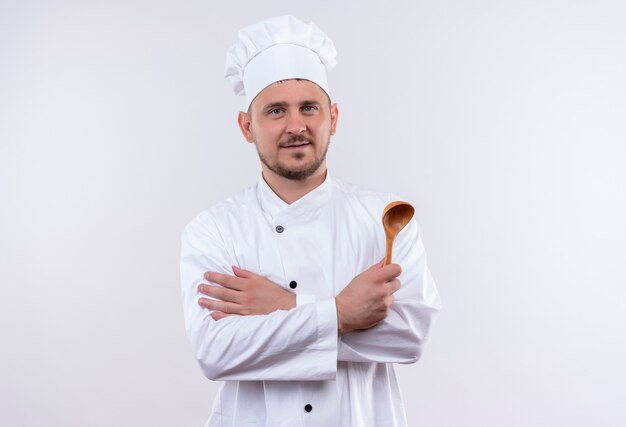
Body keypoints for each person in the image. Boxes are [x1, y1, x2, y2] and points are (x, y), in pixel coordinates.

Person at [180, 15, 441, 427]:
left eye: (309, 108)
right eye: (276, 110)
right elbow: (216, 352)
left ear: (333, 118)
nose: (295, 126)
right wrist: (341, 313)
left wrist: (283, 307)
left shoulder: (386, 216)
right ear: (247, 126)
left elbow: (409, 335)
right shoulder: (213, 230)